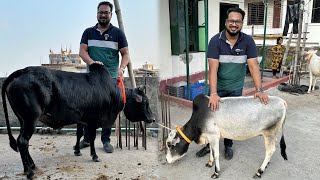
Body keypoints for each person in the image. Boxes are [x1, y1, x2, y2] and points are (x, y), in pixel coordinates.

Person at [195, 7, 269, 160]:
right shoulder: (216, 41)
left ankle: (228, 146)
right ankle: (209, 145)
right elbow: (213, 69)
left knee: (232, 118)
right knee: (211, 116)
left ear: (242, 23)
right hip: (218, 87)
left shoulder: (248, 41)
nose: (234, 24)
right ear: (226, 22)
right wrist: (214, 93)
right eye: (231, 21)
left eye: (237, 21)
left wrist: (259, 89)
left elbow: (253, 66)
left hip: (236, 88)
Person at [77, 1, 130, 153]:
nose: (103, 15)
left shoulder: (118, 33)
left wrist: (121, 68)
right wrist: (93, 63)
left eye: (106, 12)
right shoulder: (88, 32)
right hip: (92, 79)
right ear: (97, 14)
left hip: (111, 78)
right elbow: (82, 52)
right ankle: (87, 139)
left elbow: (125, 54)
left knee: (109, 110)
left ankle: (106, 140)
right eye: (101, 12)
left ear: (111, 15)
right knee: (88, 109)